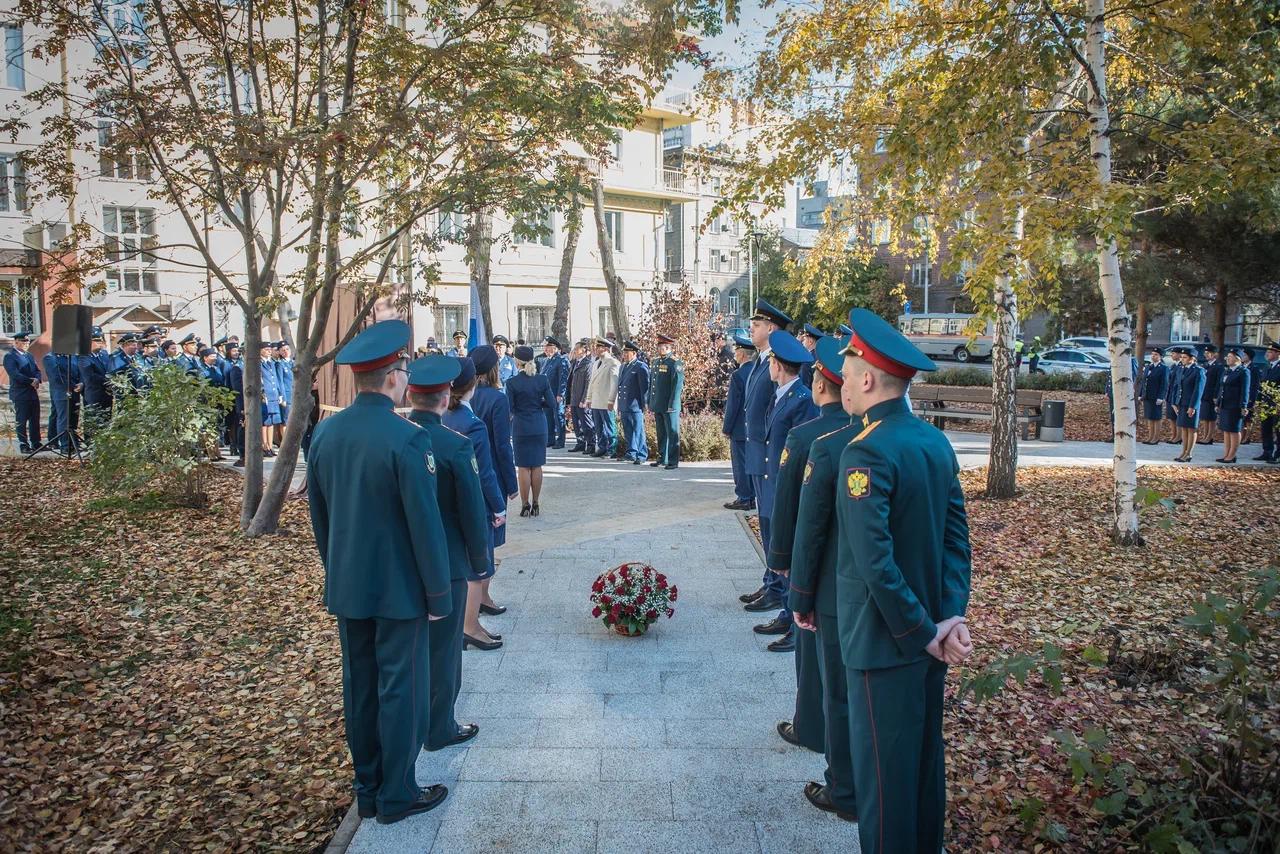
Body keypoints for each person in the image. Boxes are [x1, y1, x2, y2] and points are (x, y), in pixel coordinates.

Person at [830, 307, 972, 854]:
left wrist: (922, 630)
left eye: (846, 367)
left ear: (867, 379)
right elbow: (956, 541)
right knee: (920, 773)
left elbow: (875, 562)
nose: (841, 378)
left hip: (886, 644)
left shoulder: (865, 450)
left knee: (884, 790)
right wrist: (947, 616)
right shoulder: (932, 441)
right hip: (928, 637)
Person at [305, 319, 452, 825]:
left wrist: (337, 570)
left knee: (360, 685)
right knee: (400, 688)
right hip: (401, 590)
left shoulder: (325, 432)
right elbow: (425, 527)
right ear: (395, 378)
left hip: (349, 583)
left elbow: (319, 518)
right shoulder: (408, 439)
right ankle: (397, 793)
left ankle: (367, 789)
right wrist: (439, 595)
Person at [787, 337, 863, 825]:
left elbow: (809, 526)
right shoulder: (928, 441)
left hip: (840, 594)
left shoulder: (830, 445)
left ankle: (844, 788)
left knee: (839, 693)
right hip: (897, 606)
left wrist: (799, 592)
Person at [766, 333, 850, 752]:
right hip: (848, 568)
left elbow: (788, 505)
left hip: (812, 562)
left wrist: (780, 558)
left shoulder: (807, 436)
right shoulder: (862, 431)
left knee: (812, 653)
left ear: (820, 384)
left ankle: (810, 726)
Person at [406, 355, 490, 746]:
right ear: (445, 400)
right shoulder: (455, 445)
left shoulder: (398, 438)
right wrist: (480, 562)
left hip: (403, 562)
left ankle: (412, 720)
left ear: (410, 394)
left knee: (409, 648)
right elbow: (473, 513)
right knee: (444, 650)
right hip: (450, 563)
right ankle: (440, 727)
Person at [752, 330, 817, 651]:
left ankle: (795, 623)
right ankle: (784, 609)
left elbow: (801, 450)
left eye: (772, 363)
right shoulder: (783, 395)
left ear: (778, 365)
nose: (769, 368)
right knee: (774, 547)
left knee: (788, 554)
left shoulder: (802, 400)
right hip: (771, 483)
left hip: (785, 488)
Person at [441, 356, 508, 651]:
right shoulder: (472, 424)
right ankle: (470, 628)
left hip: (447, 501)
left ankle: (468, 623)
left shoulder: (444, 416)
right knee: (476, 569)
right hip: (474, 503)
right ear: (473, 384)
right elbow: (485, 473)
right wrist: (498, 506)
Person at [741, 299, 790, 615]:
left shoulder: (779, 362)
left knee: (775, 524)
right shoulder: (761, 361)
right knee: (767, 523)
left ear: (771, 328)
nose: (751, 329)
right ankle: (771, 581)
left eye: (757, 325)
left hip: (771, 456)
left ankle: (780, 589)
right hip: (759, 453)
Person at [468, 345, 518, 579]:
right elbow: (502, 445)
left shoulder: (461, 397)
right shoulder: (498, 399)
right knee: (489, 533)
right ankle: (483, 596)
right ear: (494, 369)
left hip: (465, 470)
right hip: (492, 473)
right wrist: (511, 483)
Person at [506, 345, 556, 517]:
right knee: (537, 465)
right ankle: (536, 502)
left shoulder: (512, 382)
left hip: (521, 426)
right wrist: (537, 404)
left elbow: (510, 408)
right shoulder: (542, 380)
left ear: (517, 361)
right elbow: (552, 404)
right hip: (539, 425)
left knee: (523, 467)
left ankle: (525, 503)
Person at [722, 333, 757, 511]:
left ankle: (744, 497)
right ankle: (751, 496)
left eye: (736, 351)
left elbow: (733, 405)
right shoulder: (757, 371)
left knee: (740, 464)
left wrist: (726, 427)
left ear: (742, 354)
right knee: (751, 462)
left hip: (739, 428)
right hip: (754, 426)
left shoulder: (738, 375)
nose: (734, 354)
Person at [647, 333, 685, 470]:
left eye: (663, 346)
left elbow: (677, 386)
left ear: (669, 347)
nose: (660, 349)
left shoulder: (675, 362)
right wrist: (650, 401)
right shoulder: (656, 361)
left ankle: (673, 461)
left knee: (672, 433)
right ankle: (662, 457)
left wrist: (673, 405)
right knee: (661, 432)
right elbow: (652, 384)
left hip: (669, 405)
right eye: (659, 346)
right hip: (658, 404)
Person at [4, 331, 42, 453]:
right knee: (21, 419)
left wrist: (37, 379)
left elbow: (37, 370)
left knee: (34, 419)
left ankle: (36, 442)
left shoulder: (29, 355)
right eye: (24, 341)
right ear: (16, 342)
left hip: (32, 392)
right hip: (20, 393)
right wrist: (29, 381)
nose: (27, 343)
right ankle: (23, 444)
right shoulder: (10, 356)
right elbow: (14, 374)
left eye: (28, 341)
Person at [42, 347, 83, 453]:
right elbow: (57, 376)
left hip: (75, 391)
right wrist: (73, 386)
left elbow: (79, 371)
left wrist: (81, 383)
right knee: (64, 419)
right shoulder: (50, 357)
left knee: (73, 418)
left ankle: (72, 443)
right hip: (62, 392)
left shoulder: (73, 356)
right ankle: (65, 445)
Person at [616, 340, 650, 463]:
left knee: (639, 431)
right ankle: (631, 452)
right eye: (624, 352)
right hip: (625, 404)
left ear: (634, 353)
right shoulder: (623, 366)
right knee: (628, 430)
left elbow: (644, 388)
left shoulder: (640, 366)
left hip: (635, 405)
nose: (624, 355)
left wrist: (645, 404)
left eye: (627, 352)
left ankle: (642, 454)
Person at [586, 337, 620, 458]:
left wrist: (611, 400)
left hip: (606, 401)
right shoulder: (596, 362)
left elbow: (614, 384)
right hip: (596, 400)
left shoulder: (613, 363)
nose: (596, 349)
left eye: (599, 347)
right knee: (598, 427)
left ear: (606, 349)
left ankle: (612, 449)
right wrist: (588, 398)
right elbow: (592, 382)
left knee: (609, 426)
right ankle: (602, 447)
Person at [1215, 348, 1250, 464]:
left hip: (1235, 405)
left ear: (1237, 359)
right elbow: (1221, 388)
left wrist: (1243, 406)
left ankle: (1232, 455)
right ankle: (1226, 454)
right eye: (1227, 356)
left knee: (1234, 430)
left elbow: (1245, 390)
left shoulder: (1243, 371)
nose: (1227, 358)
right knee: (1226, 429)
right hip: (1225, 404)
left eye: (1230, 356)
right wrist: (1218, 402)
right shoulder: (1227, 371)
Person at [1173, 346, 1206, 462]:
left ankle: (1189, 453)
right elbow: (1177, 386)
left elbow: (1198, 390)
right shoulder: (1182, 369)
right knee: (1184, 428)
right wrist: (1174, 402)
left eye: (1185, 357)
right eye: (1181, 357)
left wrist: (1193, 406)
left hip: (1191, 404)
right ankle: (1183, 451)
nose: (1182, 359)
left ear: (1193, 359)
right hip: (1182, 403)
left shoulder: (1198, 371)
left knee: (1191, 429)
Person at [79, 326, 112, 440]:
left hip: (106, 394)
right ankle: (90, 443)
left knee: (106, 419)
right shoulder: (84, 357)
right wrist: (108, 380)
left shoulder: (103, 354)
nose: (101, 343)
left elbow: (109, 369)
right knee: (93, 421)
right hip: (94, 394)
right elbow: (90, 377)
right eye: (97, 341)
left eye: (101, 340)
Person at [540, 336, 570, 449]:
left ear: (555, 348)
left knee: (559, 417)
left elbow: (563, 379)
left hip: (556, 394)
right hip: (547, 395)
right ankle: (550, 439)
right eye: (545, 347)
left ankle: (561, 440)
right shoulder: (547, 361)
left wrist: (560, 394)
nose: (545, 349)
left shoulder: (561, 360)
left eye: (548, 347)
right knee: (548, 418)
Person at [566, 340, 595, 453]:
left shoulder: (588, 363)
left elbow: (588, 383)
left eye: (577, 348)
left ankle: (591, 444)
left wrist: (584, 399)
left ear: (584, 350)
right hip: (574, 397)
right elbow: (570, 381)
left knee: (586, 422)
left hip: (582, 399)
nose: (575, 350)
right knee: (577, 424)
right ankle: (580, 442)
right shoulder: (575, 363)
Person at [1256, 341, 1280, 463]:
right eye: (1268, 351)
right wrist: (1258, 401)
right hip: (1266, 404)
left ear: (1278, 354)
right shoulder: (1267, 367)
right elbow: (1262, 385)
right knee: (1266, 428)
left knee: (1278, 430)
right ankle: (1267, 451)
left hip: (1277, 404)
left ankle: (1278, 453)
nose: (1267, 354)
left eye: (1270, 352)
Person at [1138, 347, 1167, 445]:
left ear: (1160, 357)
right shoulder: (1148, 367)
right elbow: (1143, 381)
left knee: (1156, 417)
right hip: (1147, 396)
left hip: (1156, 396)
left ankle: (1156, 437)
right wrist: (1141, 394)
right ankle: (1150, 436)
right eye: (1152, 354)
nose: (1153, 356)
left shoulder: (1163, 368)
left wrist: (1161, 397)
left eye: (1156, 355)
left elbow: (1164, 383)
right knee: (1149, 417)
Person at [259, 341, 282, 457]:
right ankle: (265, 446)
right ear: (260, 350)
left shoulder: (271, 363)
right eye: (266, 349)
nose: (269, 351)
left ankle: (270, 446)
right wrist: (263, 394)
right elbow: (260, 380)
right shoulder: (259, 364)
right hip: (265, 396)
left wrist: (279, 393)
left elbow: (276, 379)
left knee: (272, 421)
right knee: (265, 422)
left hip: (273, 395)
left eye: (269, 349)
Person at [1198, 344, 1222, 445]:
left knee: (1211, 417)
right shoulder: (1206, 365)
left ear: (1214, 354)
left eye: (1209, 353)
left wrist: (1216, 396)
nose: (1206, 355)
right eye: (1206, 353)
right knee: (1205, 417)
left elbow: (1218, 382)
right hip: (1204, 394)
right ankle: (1205, 435)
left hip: (1212, 395)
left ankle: (1209, 437)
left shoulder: (1218, 366)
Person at [226, 344, 246, 466]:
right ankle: (243, 454)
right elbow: (238, 389)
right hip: (243, 403)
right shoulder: (237, 368)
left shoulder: (249, 366)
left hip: (254, 404)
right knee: (243, 429)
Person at [1241, 347, 1262, 444]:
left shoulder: (1254, 368)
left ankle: (1247, 437)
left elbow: (1255, 385)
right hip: (1241, 397)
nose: (1242, 357)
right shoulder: (1241, 367)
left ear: (1249, 357)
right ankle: (1242, 435)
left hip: (1250, 397)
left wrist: (1252, 399)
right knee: (1242, 419)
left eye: (1244, 355)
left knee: (1248, 418)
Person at [1163, 349, 1183, 444]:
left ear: (1179, 355)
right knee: (1171, 417)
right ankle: (1174, 435)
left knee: (1177, 416)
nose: (1172, 355)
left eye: (1174, 353)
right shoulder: (1173, 365)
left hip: (1176, 394)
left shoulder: (1181, 366)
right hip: (1170, 393)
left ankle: (1179, 437)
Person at [275, 341, 295, 434]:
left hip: (296, 395)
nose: (286, 351)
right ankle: (285, 444)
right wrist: (282, 397)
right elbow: (280, 382)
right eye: (283, 350)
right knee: (286, 421)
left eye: (287, 349)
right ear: (279, 352)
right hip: (287, 395)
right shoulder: (280, 364)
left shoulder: (294, 363)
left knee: (294, 421)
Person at [797, 323, 825, 388]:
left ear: (810, 341)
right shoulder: (822, 356)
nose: (802, 342)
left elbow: (804, 385)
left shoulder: (807, 360)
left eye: (804, 339)